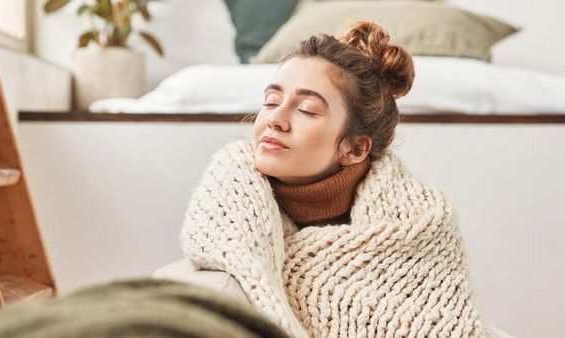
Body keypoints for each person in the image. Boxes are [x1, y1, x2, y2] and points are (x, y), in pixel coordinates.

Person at [181, 21, 495, 337]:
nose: (275, 119)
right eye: (271, 102)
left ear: (355, 148)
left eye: (305, 109)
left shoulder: (423, 226)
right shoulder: (228, 207)